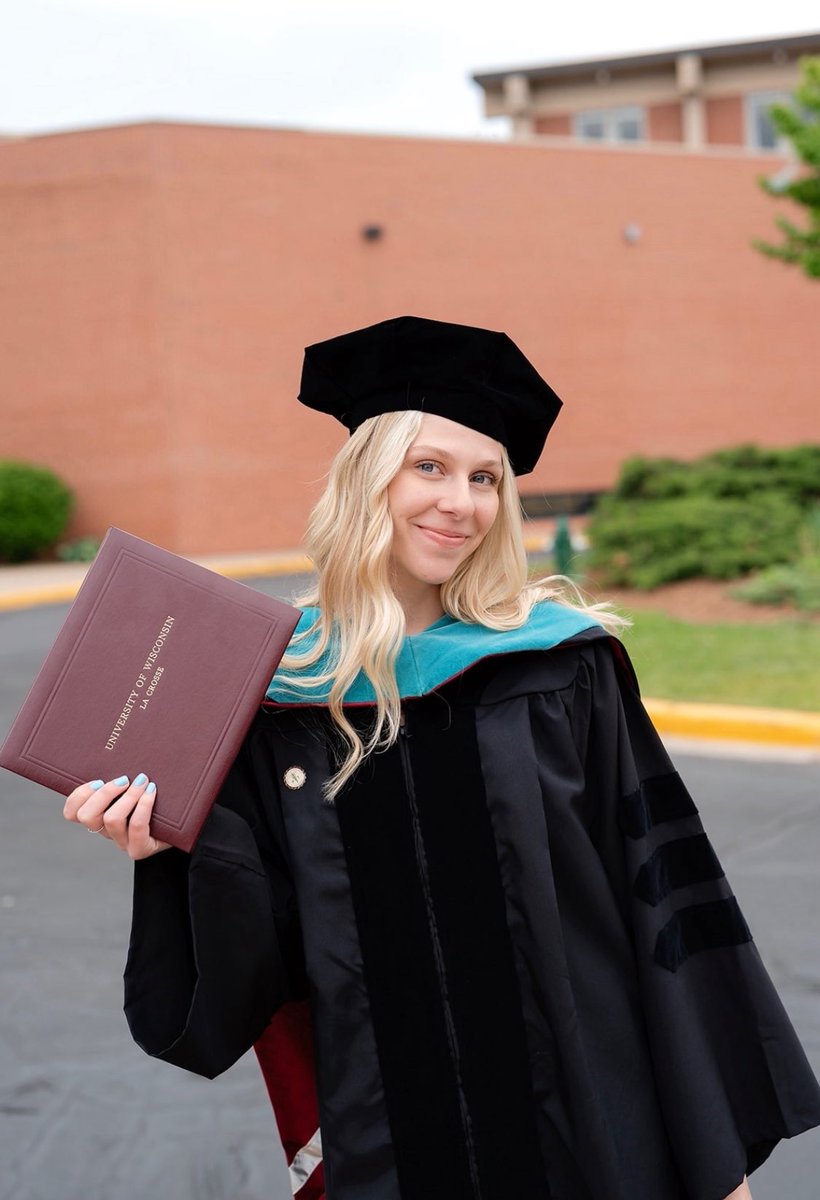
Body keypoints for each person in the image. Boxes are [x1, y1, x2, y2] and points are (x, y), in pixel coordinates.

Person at [63, 316, 820, 1200]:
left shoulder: (560, 669)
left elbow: (657, 901)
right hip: (387, 1129)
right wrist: (169, 850)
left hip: (588, 1120)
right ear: (366, 481)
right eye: (429, 467)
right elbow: (265, 937)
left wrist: (713, 1154)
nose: (459, 502)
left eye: (484, 478)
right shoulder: (279, 695)